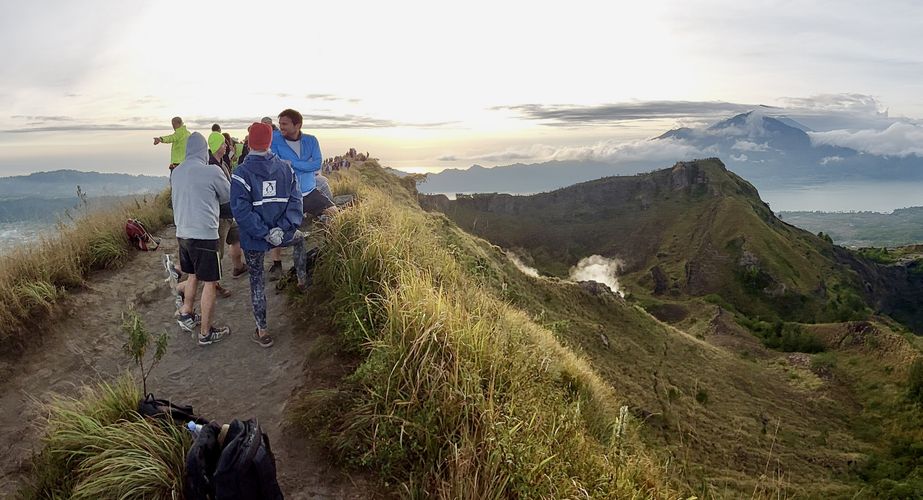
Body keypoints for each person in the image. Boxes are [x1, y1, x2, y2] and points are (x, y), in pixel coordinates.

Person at [231, 122, 310, 348]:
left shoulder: (241, 174)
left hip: (255, 239)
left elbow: (241, 211)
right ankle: (302, 281)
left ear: (249, 142)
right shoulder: (287, 169)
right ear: (269, 142)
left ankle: (263, 331)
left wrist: (265, 233)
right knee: (300, 239)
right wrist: (282, 230)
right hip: (281, 234)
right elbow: (296, 203)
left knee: (257, 281)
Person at [170, 131, 232, 345]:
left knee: (193, 274)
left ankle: (187, 311)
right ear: (202, 150)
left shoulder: (176, 172)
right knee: (210, 282)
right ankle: (206, 332)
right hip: (204, 234)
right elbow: (227, 196)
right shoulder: (212, 171)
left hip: (182, 234)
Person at [268, 108, 337, 280]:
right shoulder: (274, 139)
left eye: (284, 124)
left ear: (297, 125)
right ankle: (276, 264)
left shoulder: (311, 140)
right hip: (286, 194)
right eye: (280, 123)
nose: (280, 127)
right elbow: (275, 164)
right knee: (276, 227)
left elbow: (317, 164)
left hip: (308, 191)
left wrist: (293, 163)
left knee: (334, 214)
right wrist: (303, 163)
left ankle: (331, 250)